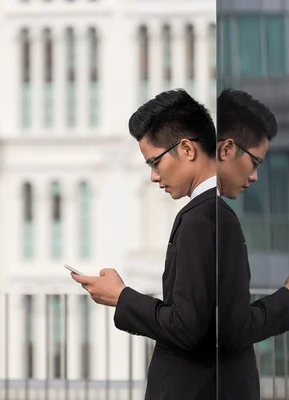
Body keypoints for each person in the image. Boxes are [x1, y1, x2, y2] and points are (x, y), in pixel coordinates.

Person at [71, 89, 220, 399]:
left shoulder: (201, 219)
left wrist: (121, 297)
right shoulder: (210, 213)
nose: (154, 176)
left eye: (155, 163)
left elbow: (186, 327)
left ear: (188, 150)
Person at [215, 88, 289, 399]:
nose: (254, 177)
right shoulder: (218, 219)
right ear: (227, 149)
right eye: (254, 162)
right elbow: (232, 328)